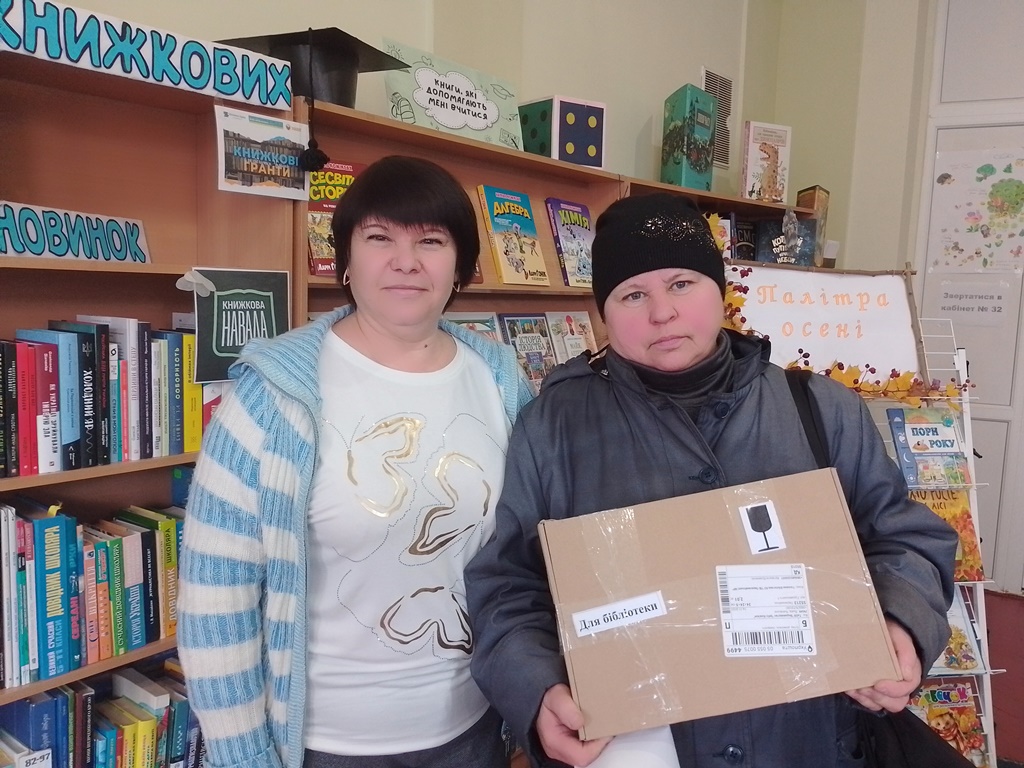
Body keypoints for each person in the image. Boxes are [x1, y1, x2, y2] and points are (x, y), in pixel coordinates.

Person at [465, 193, 958, 767]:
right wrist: (537, 688)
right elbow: (508, 585)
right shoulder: (553, 426)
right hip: (633, 746)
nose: (662, 313)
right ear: (603, 312)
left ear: (718, 289)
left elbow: (902, 538)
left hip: (805, 738)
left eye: (681, 284)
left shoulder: (817, 408)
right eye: (632, 294)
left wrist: (901, 622)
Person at [178, 155, 534, 768]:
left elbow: (530, 552)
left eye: (431, 241)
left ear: (461, 265)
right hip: (325, 747)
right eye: (379, 238)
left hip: (474, 730)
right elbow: (215, 601)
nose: (406, 261)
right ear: (345, 258)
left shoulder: (501, 379)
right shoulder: (273, 394)